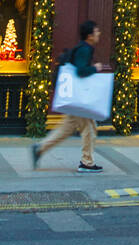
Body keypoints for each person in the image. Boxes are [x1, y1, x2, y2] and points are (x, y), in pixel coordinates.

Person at [32, 20, 106, 172]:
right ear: (90, 35)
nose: (99, 33)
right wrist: (95, 68)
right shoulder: (85, 49)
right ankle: (87, 162)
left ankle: (40, 148)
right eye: (97, 31)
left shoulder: (84, 47)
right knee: (89, 128)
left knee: (66, 128)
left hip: (75, 97)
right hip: (79, 98)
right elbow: (80, 71)